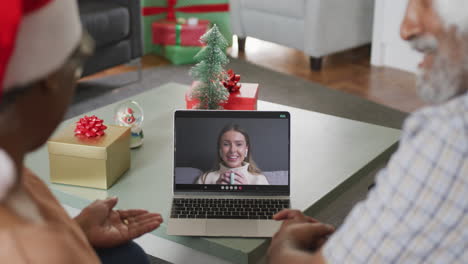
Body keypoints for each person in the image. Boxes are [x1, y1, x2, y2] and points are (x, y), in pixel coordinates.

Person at [268, 0, 468, 263]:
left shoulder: (450, 134)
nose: (405, 29)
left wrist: (282, 246)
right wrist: (355, 239)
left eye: (427, 2)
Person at [0, 0, 162, 263]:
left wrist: (78, 230)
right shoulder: (36, 251)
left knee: (128, 254)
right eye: (77, 67)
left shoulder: (20, 173)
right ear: (50, 79)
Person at [197, 124, 270, 185]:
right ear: (220, 149)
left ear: (246, 149)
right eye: (226, 144)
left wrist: (247, 191)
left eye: (239, 144)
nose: (232, 150)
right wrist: (215, 191)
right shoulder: (205, 179)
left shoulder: (260, 180)